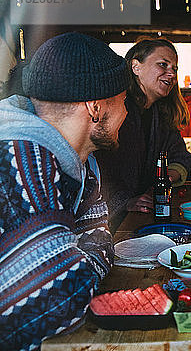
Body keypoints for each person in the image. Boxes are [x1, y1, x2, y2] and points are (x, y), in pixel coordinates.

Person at [0, 32, 129, 350]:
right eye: (124, 102)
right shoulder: (22, 158)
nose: (127, 114)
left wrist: (80, 265)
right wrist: (80, 266)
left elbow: (99, 241)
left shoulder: (80, 163)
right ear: (96, 107)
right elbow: (57, 300)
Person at [95, 38, 191, 231]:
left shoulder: (160, 114)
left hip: (146, 211)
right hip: (110, 223)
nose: (171, 74)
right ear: (136, 67)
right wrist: (125, 202)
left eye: (174, 68)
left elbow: (182, 157)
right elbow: (98, 171)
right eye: (162, 65)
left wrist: (163, 181)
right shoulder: (117, 111)